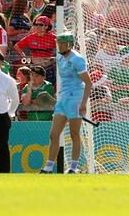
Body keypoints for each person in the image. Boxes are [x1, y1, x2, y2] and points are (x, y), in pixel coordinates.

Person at [41, 32, 93, 174]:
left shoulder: (77, 60)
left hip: (75, 99)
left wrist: (83, 104)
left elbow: (88, 83)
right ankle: (49, 166)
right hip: (63, 99)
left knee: (74, 134)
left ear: (69, 44)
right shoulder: (59, 57)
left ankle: (73, 167)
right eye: (59, 43)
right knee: (53, 134)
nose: (60, 45)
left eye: (62, 43)